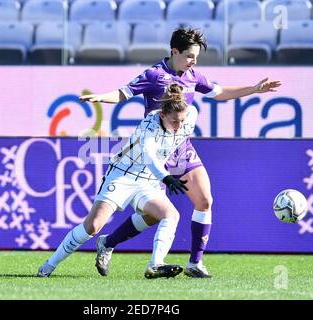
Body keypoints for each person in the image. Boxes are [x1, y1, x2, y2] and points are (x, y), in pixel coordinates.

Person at [79, 27, 282, 278]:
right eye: (189, 56)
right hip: (157, 156)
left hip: (183, 151)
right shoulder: (154, 75)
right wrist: (100, 97)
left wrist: (253, 89)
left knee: (205, 200)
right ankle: (107, 243)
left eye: (196, 56)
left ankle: (195, 263)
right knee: (151, 217)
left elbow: (219, 93)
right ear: (174, 52)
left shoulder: (193, 76)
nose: (194, 61)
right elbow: (124, 93)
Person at [38, 83, 198, 279]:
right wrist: (165, 177)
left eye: (181, 121)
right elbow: (149, 156)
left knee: (169, 215)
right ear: (162, 115)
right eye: (174, 121)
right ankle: (49, 265)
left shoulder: (191, 114)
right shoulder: (150, 124)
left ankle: (155, 264)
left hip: (148, 180)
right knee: (93, 226)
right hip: (123, 175)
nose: (179, 126)